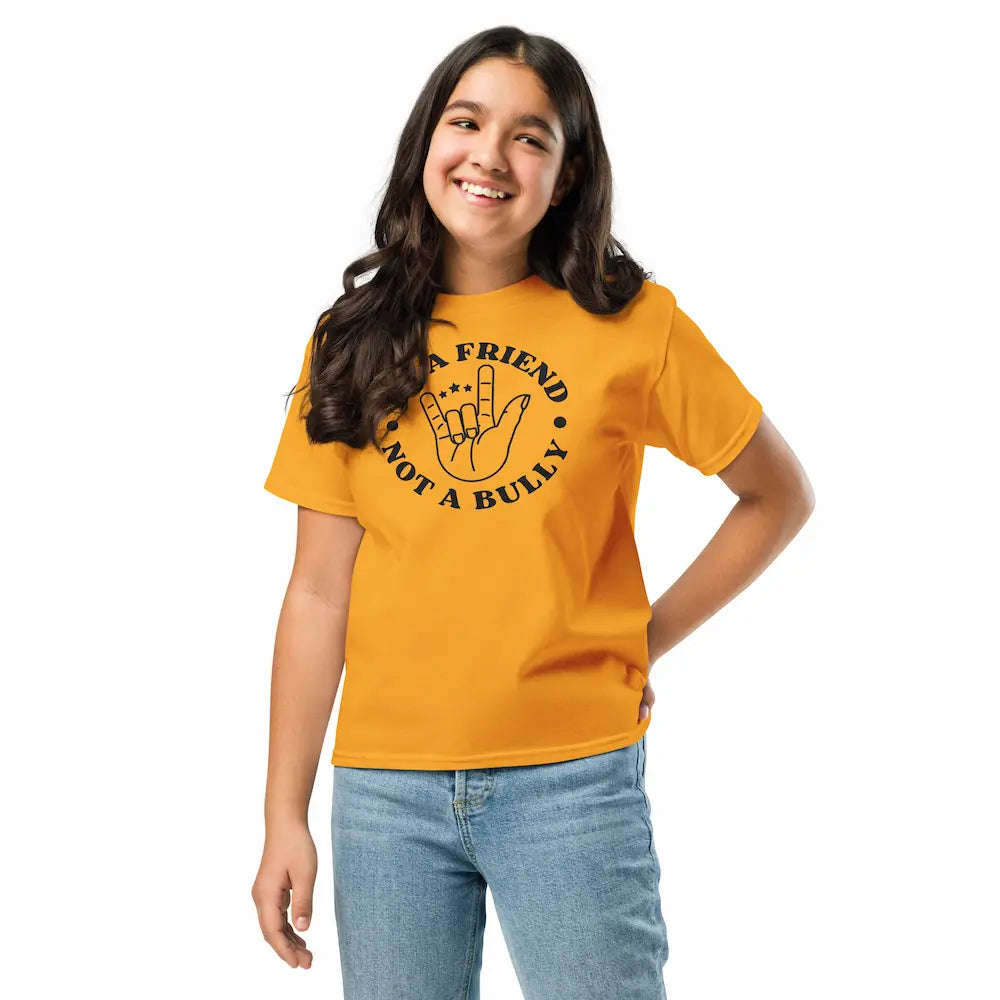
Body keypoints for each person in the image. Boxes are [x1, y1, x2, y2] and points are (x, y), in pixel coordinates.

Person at [251, 25, 814, 1000]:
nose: (490, 156)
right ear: (427, 141)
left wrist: (640, 640)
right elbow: (316, 594)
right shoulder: (349, 340)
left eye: (529, 136)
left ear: (568, 173)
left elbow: (775, 497)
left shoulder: (634, 326)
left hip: (573, 780)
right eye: (467, 122)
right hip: (385, 794)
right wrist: (282, 813)